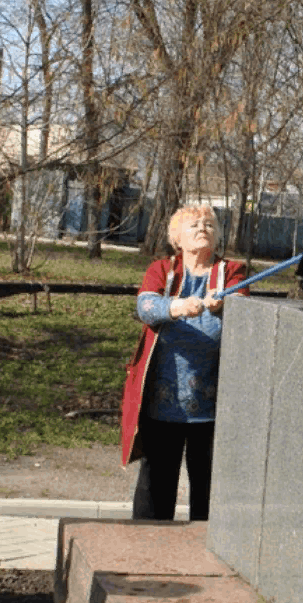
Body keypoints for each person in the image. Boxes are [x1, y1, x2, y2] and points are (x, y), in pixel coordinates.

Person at [120, 205, 247, 521]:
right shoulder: (162, 268)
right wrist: (176, 307)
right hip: (163, 400)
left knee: (210, 484)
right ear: (176, 237)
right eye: (193, 224)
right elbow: (146, 306)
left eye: (209, 224)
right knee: (157, 482)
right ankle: (149, 543)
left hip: (214, 404)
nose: (203, 228)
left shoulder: (231, 272)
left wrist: (224, 306)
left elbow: (246, 312)